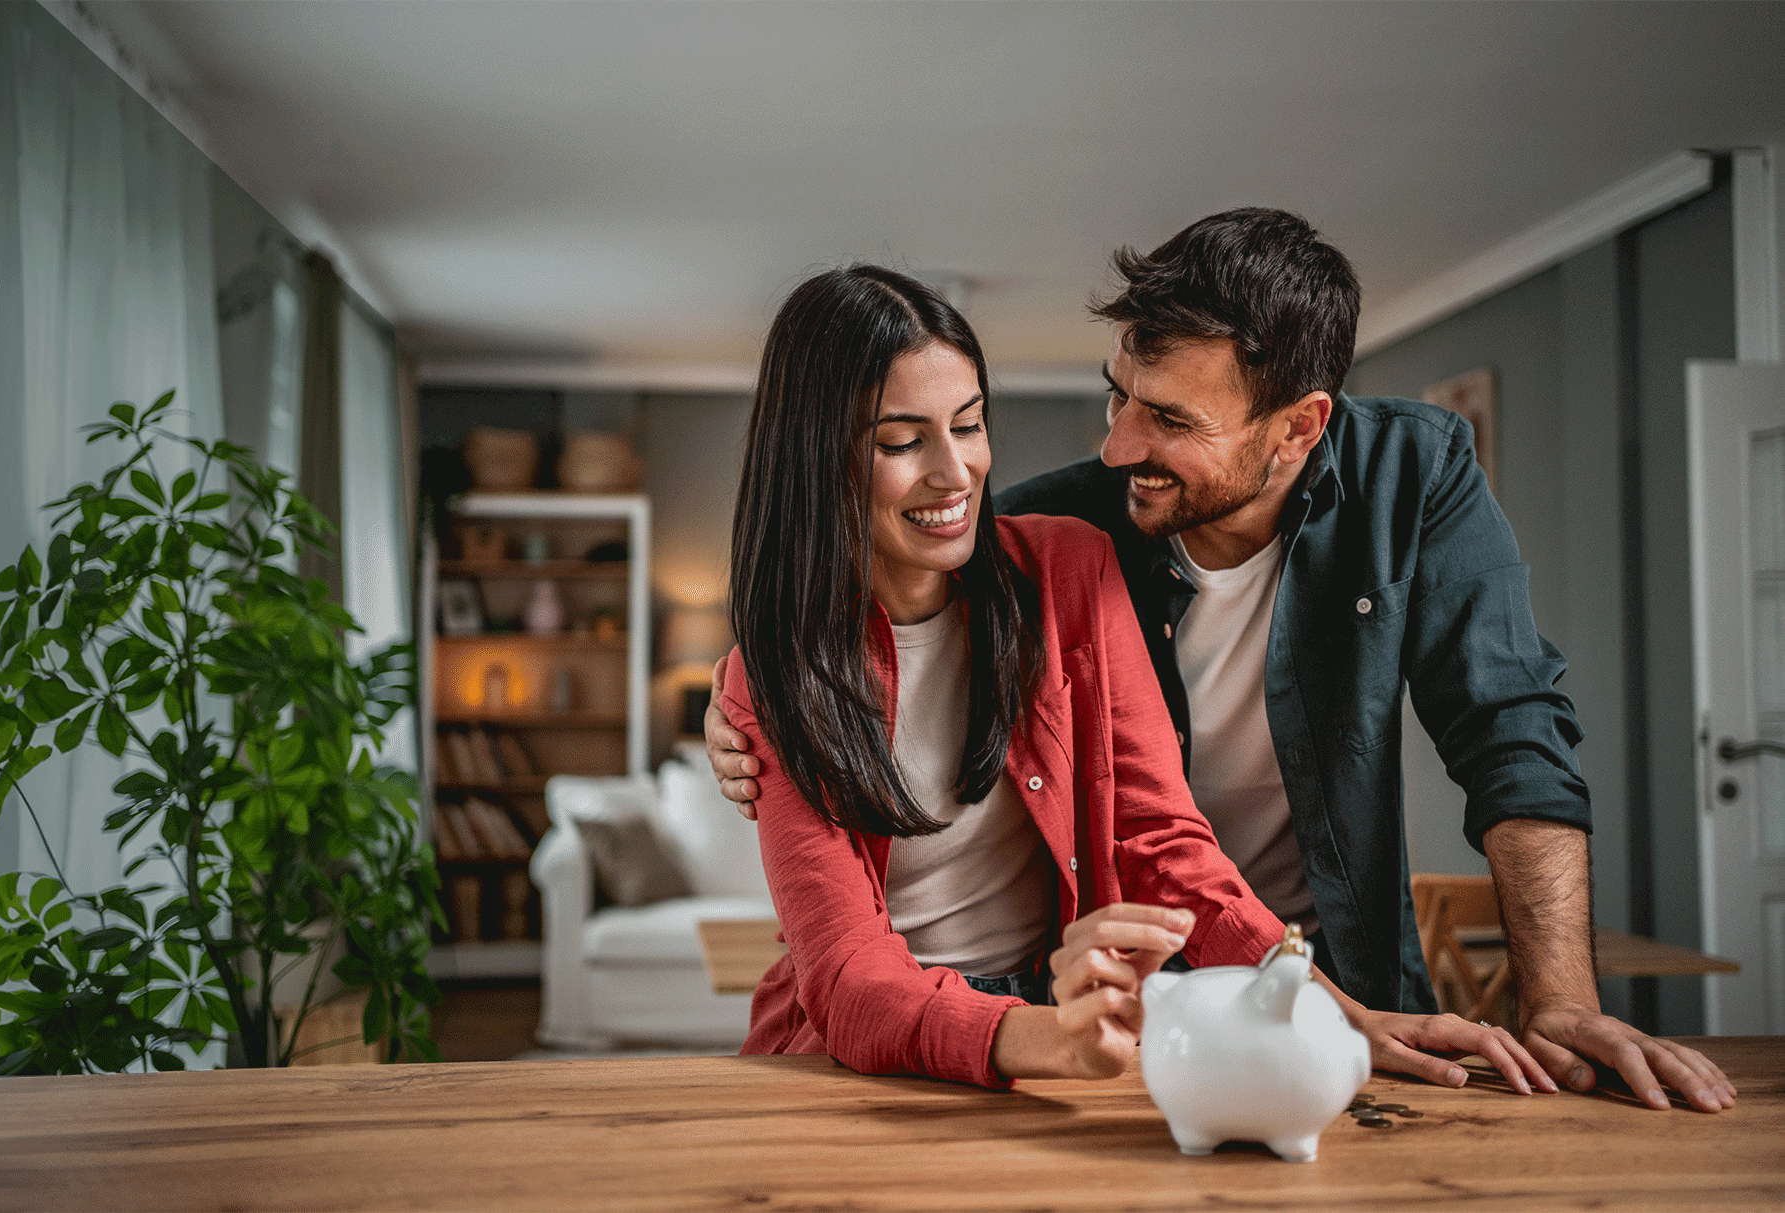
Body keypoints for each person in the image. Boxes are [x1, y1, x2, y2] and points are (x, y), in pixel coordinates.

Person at [710, 210, 1736, 1111]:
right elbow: (877, 593)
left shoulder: (1395, 480)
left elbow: (1503, 730)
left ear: (1296, 428)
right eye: (1117, 396)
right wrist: (747, 685)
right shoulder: (1067, 526)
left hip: (1253, 979)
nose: (1115, 448)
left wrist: (1502, 1005)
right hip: (994, 1035)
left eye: (972, 426)